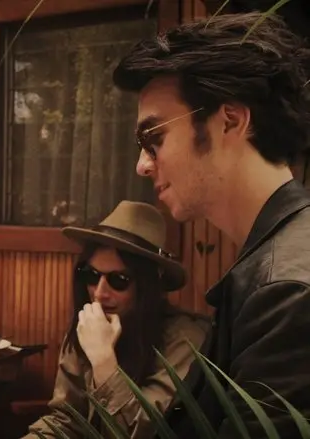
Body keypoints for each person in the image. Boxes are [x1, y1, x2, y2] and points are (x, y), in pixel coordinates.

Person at [112, 11, 310, 438]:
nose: (142, 165)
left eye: (154, 139)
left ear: (230, 120)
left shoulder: (286, 291)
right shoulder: (273, 256)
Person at [24, 201, 210, 438]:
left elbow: (144, 432)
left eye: (119, 280)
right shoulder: (90, 324)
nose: (99, 293)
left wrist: (103, 360)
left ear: (147, 287)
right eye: (92, 275)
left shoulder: (186, 340)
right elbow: (67, 419)